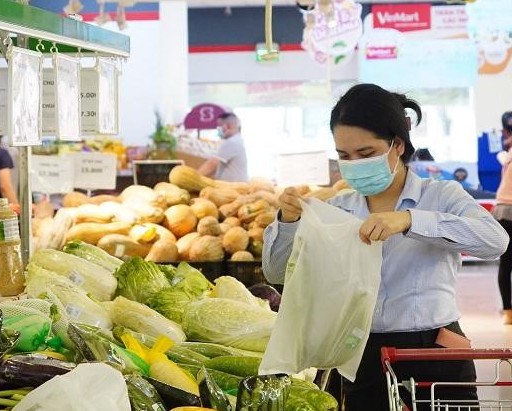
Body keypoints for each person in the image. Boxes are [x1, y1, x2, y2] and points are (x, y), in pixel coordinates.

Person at [262, 84, 508, 411]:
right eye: (344, 156)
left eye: (366, 154)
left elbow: (495, 241)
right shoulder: (337, 208)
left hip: (434, 351)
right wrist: (288, 222)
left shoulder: (441, 196)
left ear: (398, 145)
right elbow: (278, 272)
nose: (355, 164)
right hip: (358, 353)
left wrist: (410, 221)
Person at [494, 111, 512, 324]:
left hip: (502, 209)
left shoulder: (507, 153)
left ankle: (508, 311)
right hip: (509, 208)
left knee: (505, 263)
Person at [197, 112, 248, 182]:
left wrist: (194, 178)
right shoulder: (237, 139)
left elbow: (211, 165)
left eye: (219, 125)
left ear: (228, 126)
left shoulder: (231, 142)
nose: (218, 129)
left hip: (232, 187)